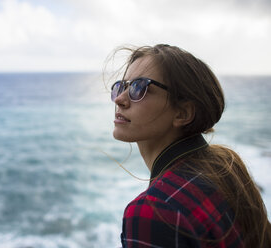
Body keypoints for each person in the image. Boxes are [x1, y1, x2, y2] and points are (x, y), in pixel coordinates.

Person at [109, 44, 271, 247]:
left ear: (182, 113)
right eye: (121, 86)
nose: (120, 99)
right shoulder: (226, 167)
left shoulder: (154, 209)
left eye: (139, 88)